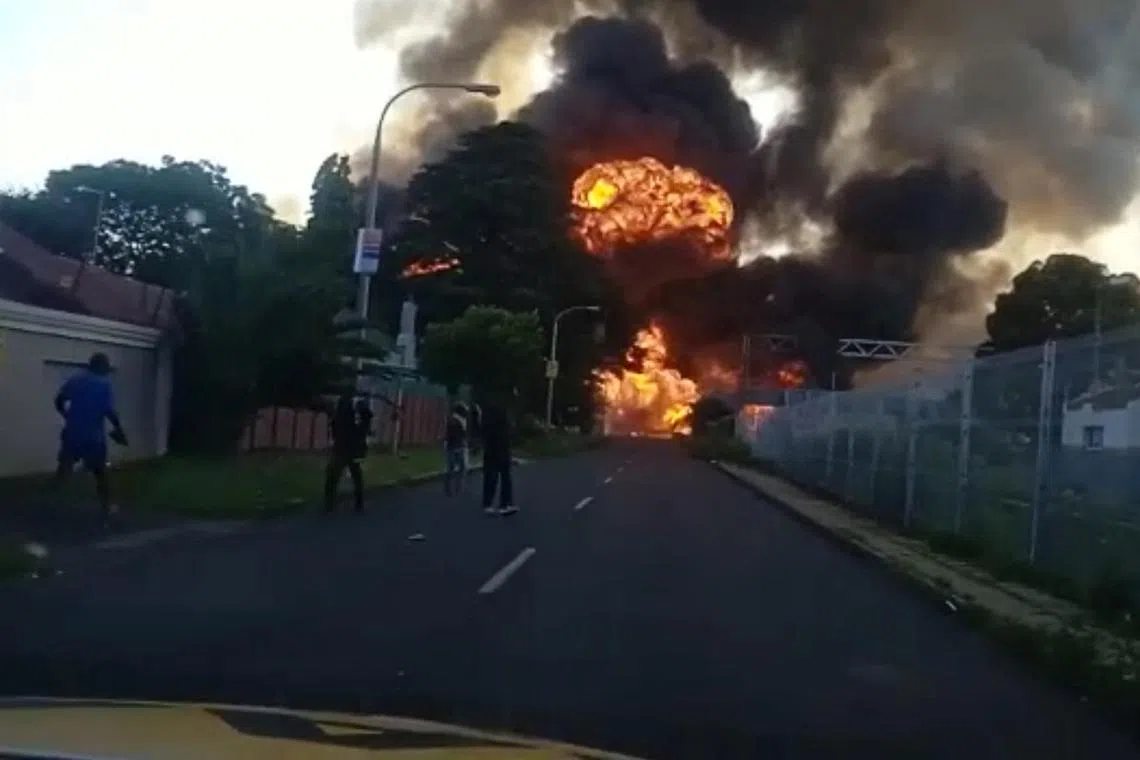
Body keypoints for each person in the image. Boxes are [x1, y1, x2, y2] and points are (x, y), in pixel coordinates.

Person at [54, 352, 129, 526]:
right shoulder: (104, 384)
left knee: (64, 468)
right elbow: (109, 411)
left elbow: (59, 400)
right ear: (101, 367)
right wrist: (118, 428)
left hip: (72, 433)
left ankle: (52, 504)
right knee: (100, 474)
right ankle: (106, 508)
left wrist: (67, 416)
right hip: (93, 438)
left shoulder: (75, 380)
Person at [324, 393, 366, 513]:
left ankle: (329, 503)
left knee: (333, 476)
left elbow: (335, 431)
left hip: (341, 449)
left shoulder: (339, 417)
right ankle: (359, 503)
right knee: (356, 476)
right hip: (352, 450)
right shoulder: (354, 417)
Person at [478, 390, 517, 516]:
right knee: (504, 476)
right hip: (500, 447)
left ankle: (489, 504)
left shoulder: (488, 412)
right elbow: (505, 431)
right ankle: (505, 504)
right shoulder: (502, 413)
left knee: (491, 476)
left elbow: (484, 430)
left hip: (491, 448)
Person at [443, 402, 469, 496]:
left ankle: (455, 487)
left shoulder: (461, 420)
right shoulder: (454, 420)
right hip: (455, 447)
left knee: (459, 467)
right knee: (456, 468)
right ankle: (453, 487)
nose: (466, 412)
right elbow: (453, 435)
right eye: (465, 410)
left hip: (457, 446)